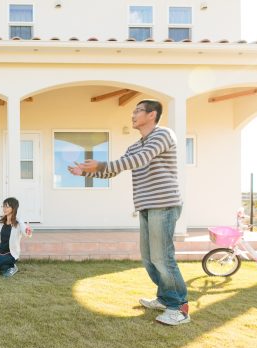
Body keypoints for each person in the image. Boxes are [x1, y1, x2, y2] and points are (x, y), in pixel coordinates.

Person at [67, 99, 190, 326]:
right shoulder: (134, 146)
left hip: (164, 204)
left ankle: (179, 307)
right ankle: (165, 299)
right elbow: (117, 168)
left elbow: (139, 160)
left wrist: (101, 164)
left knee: (163, 257)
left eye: (138, 111)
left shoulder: (163, 135)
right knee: (150, 259)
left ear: (152, 115)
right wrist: (85, 173)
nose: (133, 115)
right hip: (145, 205)